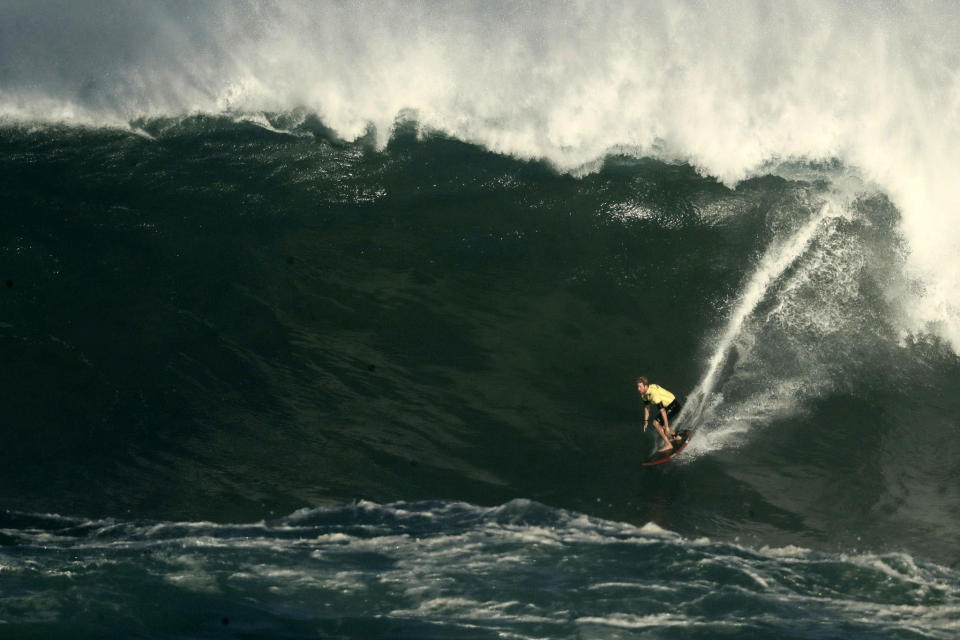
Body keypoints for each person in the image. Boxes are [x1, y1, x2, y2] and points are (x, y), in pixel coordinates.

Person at [636, 376, 683, 453]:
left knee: (656, 423)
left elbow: (663, 411)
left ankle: (668, 445)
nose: (638, 389)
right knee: (661, 425)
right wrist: (646, 421)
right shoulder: (644, 394)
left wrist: (667, 427)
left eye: (640, 387)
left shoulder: (654, 395)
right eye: (638, 387)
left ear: (646, 386)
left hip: (673, 405)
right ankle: (676, 436)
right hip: (668, 405)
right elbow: (647, 407)